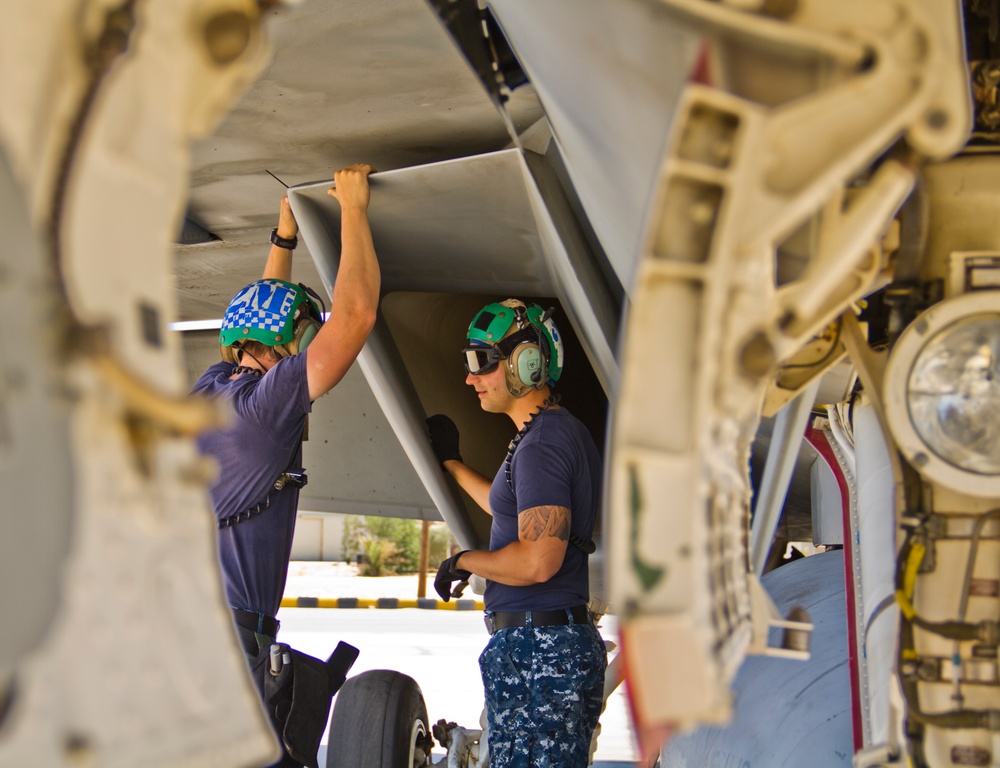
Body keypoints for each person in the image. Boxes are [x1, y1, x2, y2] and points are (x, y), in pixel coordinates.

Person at [191, 163, 379, 661]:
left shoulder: (212, 388)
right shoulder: (267, 409)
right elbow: (356, 315)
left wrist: (285, 239)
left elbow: (267, 316)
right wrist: (353, 210)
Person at [428, 299, 607, 768]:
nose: (471, 379)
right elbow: (511, 510)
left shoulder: (543, 444)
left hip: (538, 653)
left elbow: (536, 560)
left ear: (526, 364)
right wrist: (452, 462)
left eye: (480, 364)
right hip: (547, 647)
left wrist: (463, 560)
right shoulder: (548, 433)